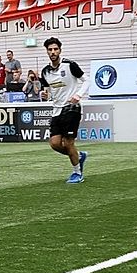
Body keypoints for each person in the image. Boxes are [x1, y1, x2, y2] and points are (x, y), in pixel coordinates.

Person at [39, 37, 89, 184]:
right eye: (50, 49)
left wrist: (78, 95)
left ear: (60, 50)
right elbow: (48, 90)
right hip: (56, 110)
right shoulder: (45, 72)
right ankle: (78, 156)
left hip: (71, 108)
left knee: (68, 143)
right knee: (54, 143)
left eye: (55, 49)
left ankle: (77, 173)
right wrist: (45, 94)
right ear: (47, 52)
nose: (53, 52)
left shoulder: (70, 65)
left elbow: (87, 80)